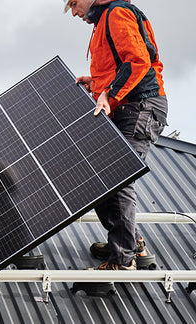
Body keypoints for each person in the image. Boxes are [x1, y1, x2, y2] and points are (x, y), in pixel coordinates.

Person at [64, 0, 168, 270]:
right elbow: (119, 66)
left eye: (74, 3)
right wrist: (97, 83)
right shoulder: (105, 19)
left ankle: (123, 259)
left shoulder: (116, 13)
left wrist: (109, 93)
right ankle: (131, 243)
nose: (74, 12)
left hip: (140, 107)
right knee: (100, 178)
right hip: (129, 105)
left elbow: (137, 60)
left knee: (117, 177)